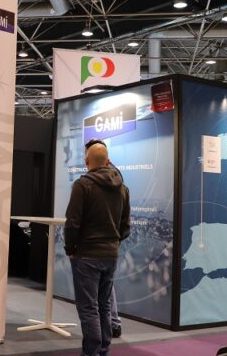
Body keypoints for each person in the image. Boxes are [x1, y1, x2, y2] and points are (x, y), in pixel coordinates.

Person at [64, 142, 130, 356]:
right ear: (108, 161)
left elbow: (72, 222)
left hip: (86, 255)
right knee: (104, 306)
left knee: (88, 308)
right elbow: (125, 225)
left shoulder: (82, 185)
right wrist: (113, 243)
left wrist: (70, 248)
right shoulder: (123, 188)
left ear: (86, 160)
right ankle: (103, 350)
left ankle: (91, 352)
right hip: (110, 254)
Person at [84, 139, 124, 338]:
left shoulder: (91, 180)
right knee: (105, 290)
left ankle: (105, 331)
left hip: (94, 246)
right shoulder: (117, 177)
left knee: (92, 301)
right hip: (110, 244)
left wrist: (72, 248)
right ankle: (112, 325)